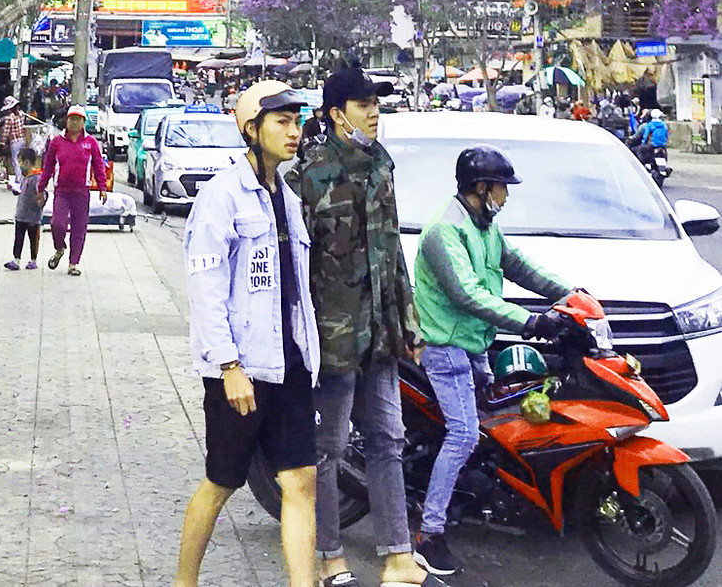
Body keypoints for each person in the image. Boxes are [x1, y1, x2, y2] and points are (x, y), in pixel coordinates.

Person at [176, 82, 318, 587]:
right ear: (251, 129)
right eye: (282, 121)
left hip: (291, 364)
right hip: (241, 371)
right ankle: (183, 582)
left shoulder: (290, 197)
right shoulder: (222, 196)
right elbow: (205, 286)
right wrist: (229, 367)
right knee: (221, 482)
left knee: (301, 480)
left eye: (296, 121)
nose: (294, 131)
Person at [413, 146, 579, 578]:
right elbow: (468, 293)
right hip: (447, 347)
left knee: (497, 423)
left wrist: (573, 296)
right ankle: (428, 536)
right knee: (465, 435)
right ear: (482, 187)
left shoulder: (484, 225)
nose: (506, 197)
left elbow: (520, 266)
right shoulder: (444, 232)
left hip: (474, 345)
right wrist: (532, 322)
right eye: (503, 189)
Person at [295, 66, 424, 587]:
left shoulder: (381, 166)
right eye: (363, 104)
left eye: (377, 103)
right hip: (333, 338)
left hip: (381, 333)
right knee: (328, 448)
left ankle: (398, 556)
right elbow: (297, 267)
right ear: (335, 115)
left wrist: (408, 324)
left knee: (389, 438)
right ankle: (329, 557)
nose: (374, 112)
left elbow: (392, 253)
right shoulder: (310, 175)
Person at [37, 104, 107, 274]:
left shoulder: (90, 143)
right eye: (71, 119)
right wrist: (41, 187)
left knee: (79, 228)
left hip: (82, 192)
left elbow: (98, 165)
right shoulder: (57, 142)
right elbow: (48, 165)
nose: (74, 123)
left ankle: (73, 263)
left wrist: (102, 187)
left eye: (78, 120)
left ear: (83, 122)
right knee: (57, 223)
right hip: (62, 191)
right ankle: (59, 248)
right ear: (66, 121)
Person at [4, 145, 45, 269]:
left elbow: (41, 193)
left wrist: (40, 202)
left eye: (21, 162)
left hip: (33, 216)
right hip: (21, 214)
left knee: (33, 239)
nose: (20, 165)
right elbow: (22, 190)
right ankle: (16, 259)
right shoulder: (25, 176)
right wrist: (15, 188)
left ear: (27, 162)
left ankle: (33, 260)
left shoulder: (37, 177)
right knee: (18, 238)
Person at [0, 95, 27, 187]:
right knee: (22, 160)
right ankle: (22, 179)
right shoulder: (20, 115)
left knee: (15, 161)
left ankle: (19, 180)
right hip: (22, 139)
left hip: (14, 141)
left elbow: (5, 132)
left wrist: (2, 143)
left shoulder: (9, 118)